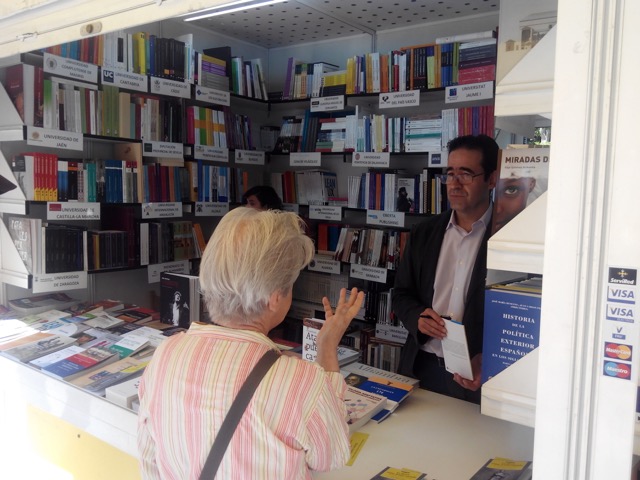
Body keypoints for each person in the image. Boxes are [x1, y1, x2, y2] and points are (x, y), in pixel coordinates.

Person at [137, 207, 365, 479]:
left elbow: (149, 458)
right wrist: (327, 348)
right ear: (274, 297)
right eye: (291, 284)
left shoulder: (167, 354)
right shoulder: (301, 381)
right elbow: (333, 455)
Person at [392, 134, 498, 404]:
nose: (455, 183)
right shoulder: (423, 233)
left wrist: (491, 359)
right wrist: (417, 317)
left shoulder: (506, 238)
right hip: (420, 367)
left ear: (492, 179)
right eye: (450, 173)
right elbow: (402, 294)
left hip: (473, 377)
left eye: (466, 174)